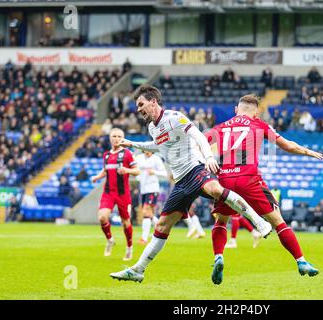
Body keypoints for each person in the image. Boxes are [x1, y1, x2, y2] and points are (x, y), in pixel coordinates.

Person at [109, 85, 272, 283]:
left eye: (141, 104)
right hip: (180, 182)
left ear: (153, 102)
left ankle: (259, 223)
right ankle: (138, 270)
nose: (138, 109)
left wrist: (209, 157)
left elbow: (199, 136)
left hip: (195, 168)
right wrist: (133, 144)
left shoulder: (175, 117)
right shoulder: (153, 127)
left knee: (214, 189)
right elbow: (158, 146)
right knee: (162, 224)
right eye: (137, 106)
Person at [205, 94, 323, 284]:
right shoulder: (259, 125)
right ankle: (301, 261)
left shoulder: (221, 127)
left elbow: (200, 142)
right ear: (256, 112)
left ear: (236, 109)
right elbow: (287, 146)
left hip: (225, 180)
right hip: (249, 179)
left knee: (221, 220)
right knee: (278, 221)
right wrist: (307, 152)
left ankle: (218, 256)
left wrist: (208, 158)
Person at [91, 128, 140, 261]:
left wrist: (127, 170)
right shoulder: (106, 155)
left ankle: (129, 247)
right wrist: (97, 177)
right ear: (110, 138)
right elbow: (105, 170)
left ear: (122, 138)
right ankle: (110, 240)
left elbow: (137, 171)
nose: (116, 138)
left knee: (125, 222)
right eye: (114, 136)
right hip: (108, 193)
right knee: (102, 217)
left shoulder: (127, 154)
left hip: (123, 194)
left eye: (119, 136)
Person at [136, 150, 168, 244]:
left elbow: (164, 173)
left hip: (152, 188)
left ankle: (144, 238)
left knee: (146, 211)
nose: (147, 150)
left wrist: (154, 172)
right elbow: (136, 170)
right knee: (149, 214)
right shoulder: (139, 158)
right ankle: (162, 229)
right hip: (143, 189)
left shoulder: (156, 159)